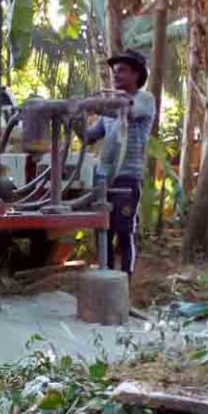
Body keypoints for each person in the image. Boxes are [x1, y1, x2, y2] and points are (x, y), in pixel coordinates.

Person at [85, 49, 155, 276]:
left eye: (122, 70)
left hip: (128, 178)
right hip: (104, 179)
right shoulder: (108, 112)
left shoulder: (144, 99)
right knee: (103, 229)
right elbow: (88, 137)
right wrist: (72, 118)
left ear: (137, 75)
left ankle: (125, 281)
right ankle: (106, 276)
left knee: (125, 230)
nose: (116, 75)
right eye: (114, 71)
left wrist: (94, 105)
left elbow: (127, 111)